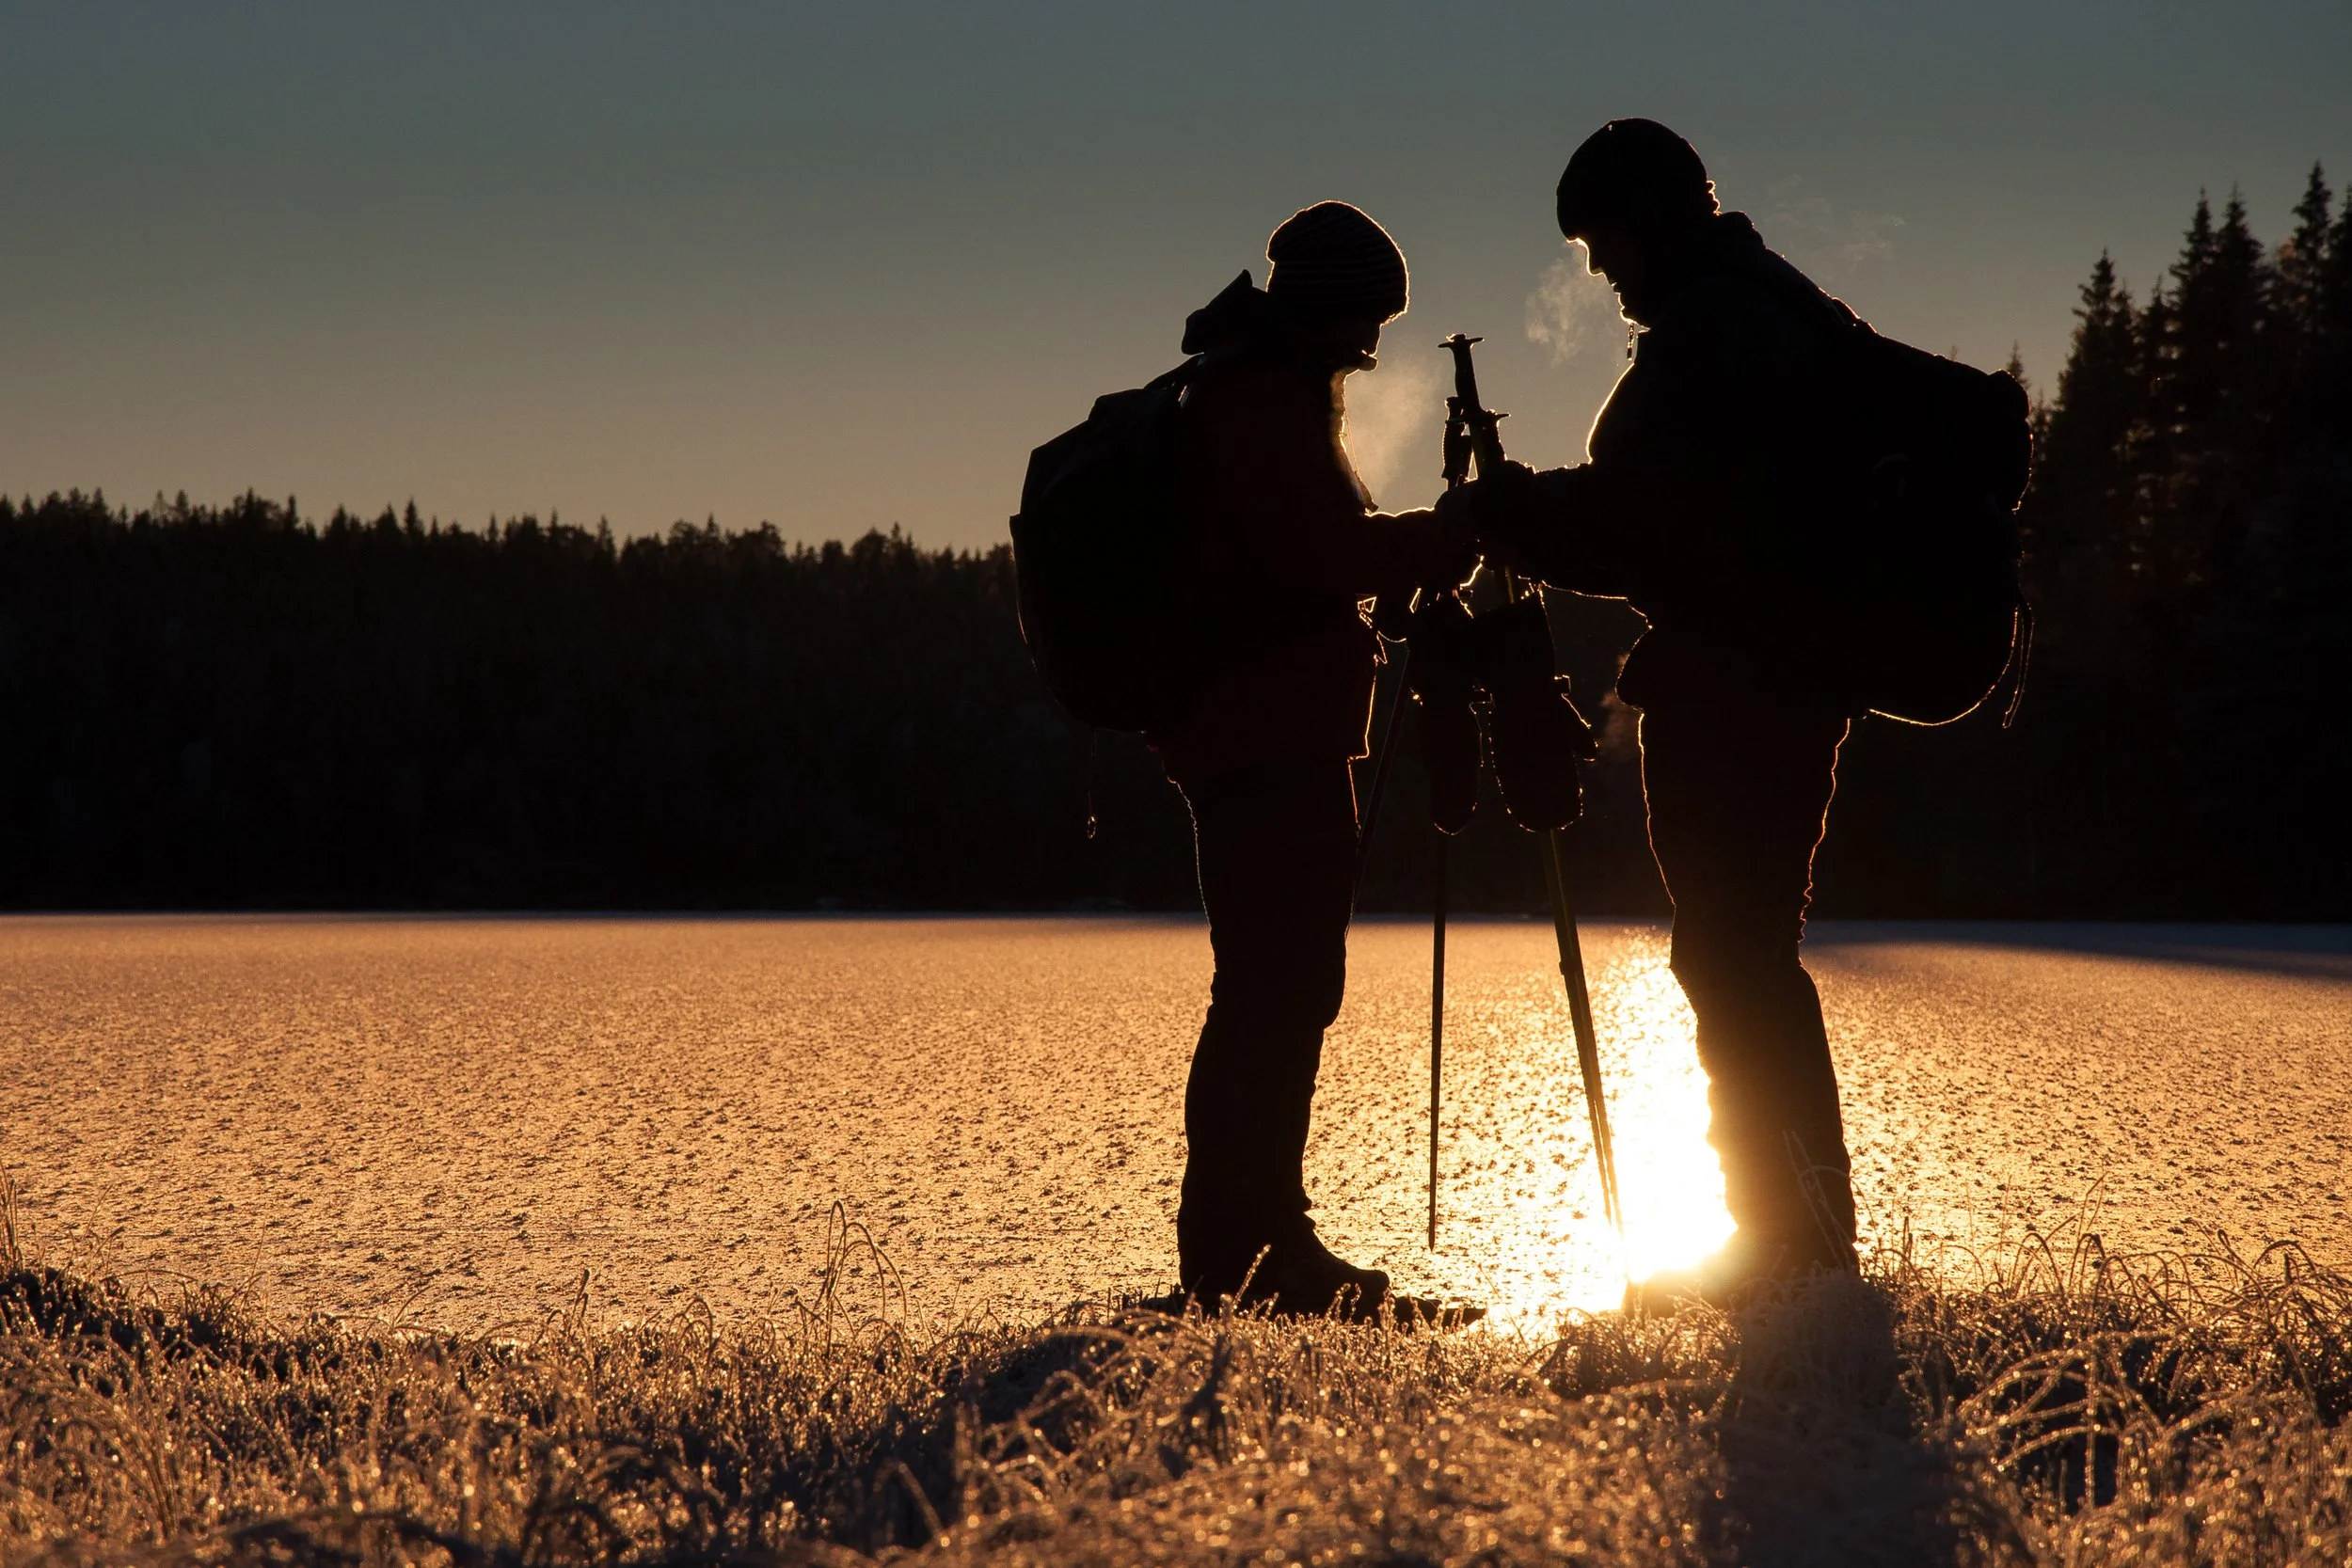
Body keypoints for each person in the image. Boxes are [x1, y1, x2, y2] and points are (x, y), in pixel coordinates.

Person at [1444, 120, 1867, 1299]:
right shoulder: (1755, 306)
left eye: (1602, 238)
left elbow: (1659, 518)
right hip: (1759, 676)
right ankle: (1789, 1233)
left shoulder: (1719, 328)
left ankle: (1792, 1242)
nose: (1597, 268)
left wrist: (1512, 514)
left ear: (1652, 217)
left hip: (1749, 688)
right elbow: (1674, 519)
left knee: (1735, 955)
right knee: (1735, 952)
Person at [1151, 201, 1467, 1315]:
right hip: (1263, 739)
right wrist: (1432, 538)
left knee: (1278, 989)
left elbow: (1302, 556)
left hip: (1263, 732)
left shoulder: (1253, 384)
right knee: (1274, 990)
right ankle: (1249, 1255)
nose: (1370, 347)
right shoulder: (1258, 398)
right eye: (1366, 320)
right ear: (1324, 303)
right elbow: (1308, 554)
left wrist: (1404, 550)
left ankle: (1257, 1240)